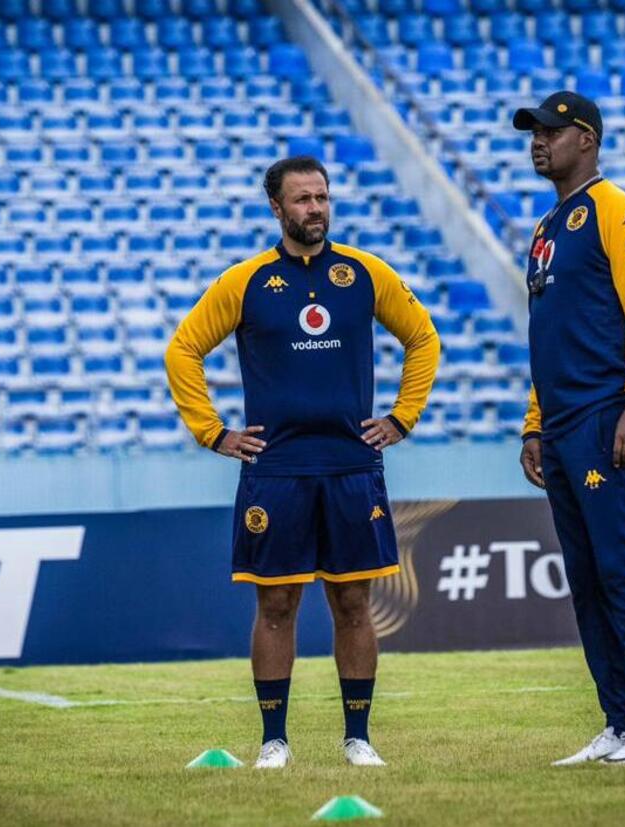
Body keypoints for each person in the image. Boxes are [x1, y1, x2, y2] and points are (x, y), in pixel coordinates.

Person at [165, 156, 441, 769]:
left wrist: (402, 417)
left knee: (353, 604)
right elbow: (183, 349)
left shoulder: (365, 273)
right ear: (277, 208)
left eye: (322, 197)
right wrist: (213, 432)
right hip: (276, 472)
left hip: (351, 468)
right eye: (302, 199)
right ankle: (274, 742)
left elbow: (423, 337)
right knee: (276, 607)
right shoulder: (245, 281)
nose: (315, 208)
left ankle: (358, 738)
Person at [512, 91, 625, 765]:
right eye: (533, 132)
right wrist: (534, 424)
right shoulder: (546, 227)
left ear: (587, 139)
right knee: (585, 579)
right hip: (560, 427)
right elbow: (546, 335)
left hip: (606, 416)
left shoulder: (616, 209)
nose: (538, 141)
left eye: (550, 131)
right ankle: (618, 720)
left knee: (620, 569)